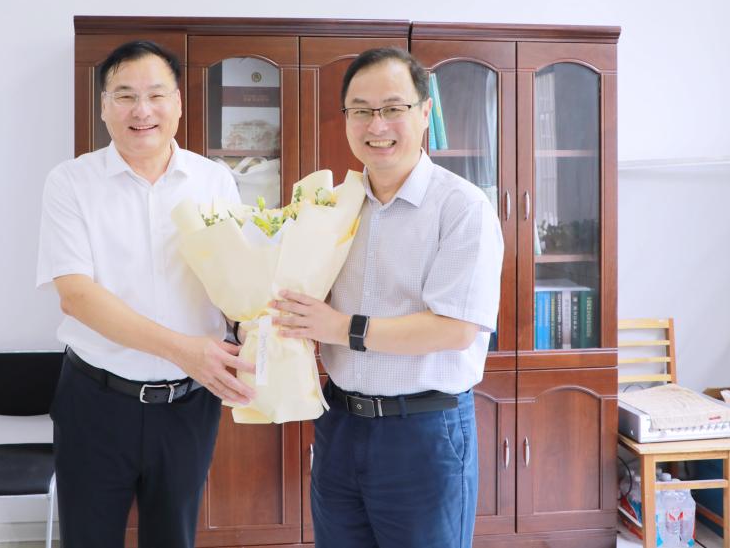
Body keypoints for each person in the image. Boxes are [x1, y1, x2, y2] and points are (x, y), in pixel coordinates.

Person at [271, 47, 504, 548]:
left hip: (424, 431)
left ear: (425, 112)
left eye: (393, 108)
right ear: (346, 119)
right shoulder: (334, 207)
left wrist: (341, 328)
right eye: (361, 110)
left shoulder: (462, 208)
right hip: (339, 424)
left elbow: (456, 328)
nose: (377, 125)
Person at [36, 40, 255, 548]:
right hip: (95, 400)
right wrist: (186, 350)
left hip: (188, 405)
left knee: (173, 539)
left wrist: (254, 330)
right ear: (104, 106)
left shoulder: (215, 180)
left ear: (177, 103)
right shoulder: (71, 182)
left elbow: (235, 284)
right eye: (125, 96)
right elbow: (76, 296)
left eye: (156, 95)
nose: (142, 111)